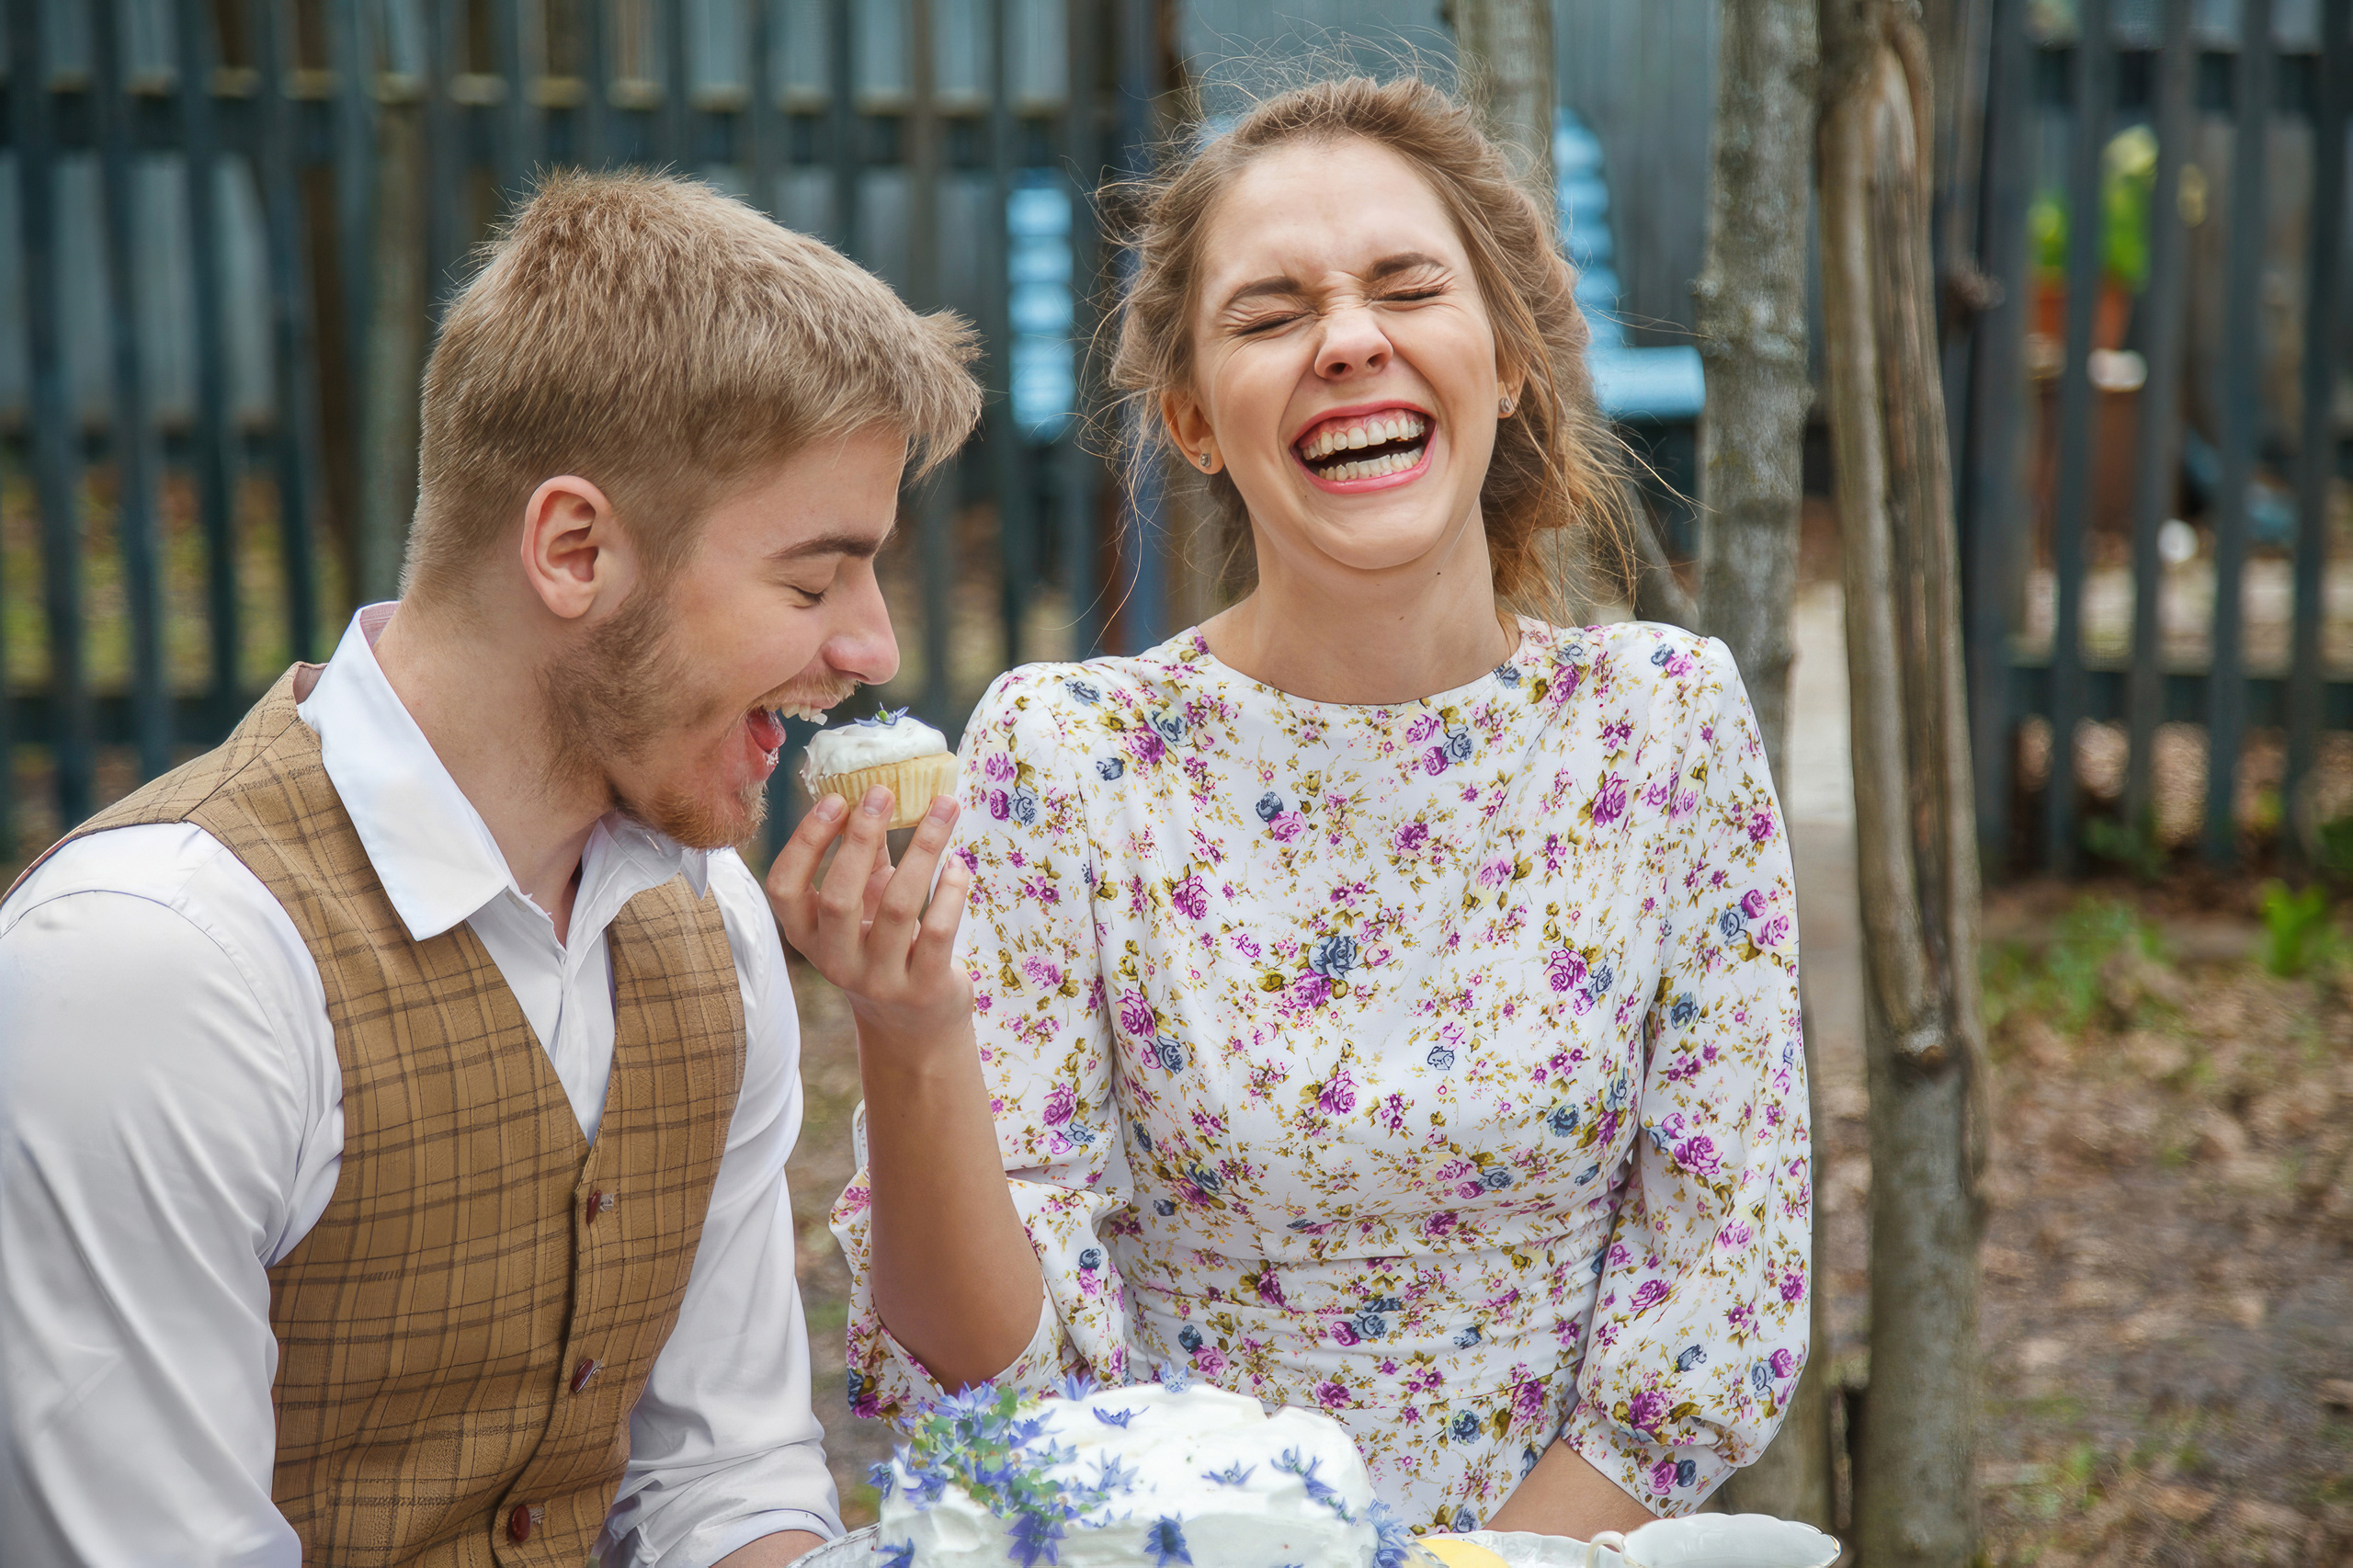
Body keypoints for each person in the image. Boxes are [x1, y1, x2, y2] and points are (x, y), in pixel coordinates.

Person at [768, 76, 1811, 1540]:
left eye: (1405, 286)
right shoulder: (1068, 761)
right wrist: (911, 1036)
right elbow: (986, 1380)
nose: (1350, 340)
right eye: (1271, 315)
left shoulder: (1664, 726)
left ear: (1508, 358)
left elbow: (1718, 1298)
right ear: (1193, 418)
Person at [0, 171, 980, 1567]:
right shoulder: (153, 964)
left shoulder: (710, 926)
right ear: (574, 549)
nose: (873, 649)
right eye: (815, 582)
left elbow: (726, 1478)